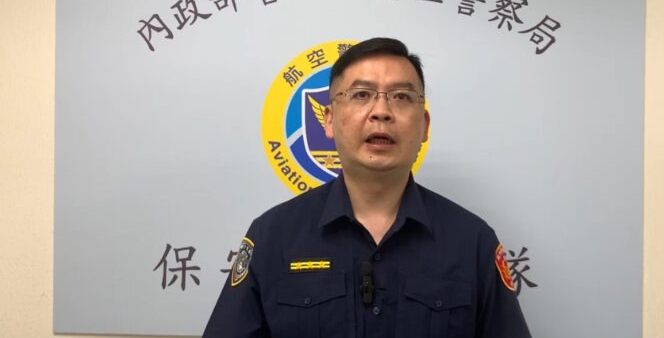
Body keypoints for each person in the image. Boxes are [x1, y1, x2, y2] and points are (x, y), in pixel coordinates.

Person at [203, 37, 531, 337]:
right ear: (328, 120)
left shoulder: (472, 241)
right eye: (361, 95)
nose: (381, 112)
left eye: (401, 97)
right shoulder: (273, 236)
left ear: (424, 126)